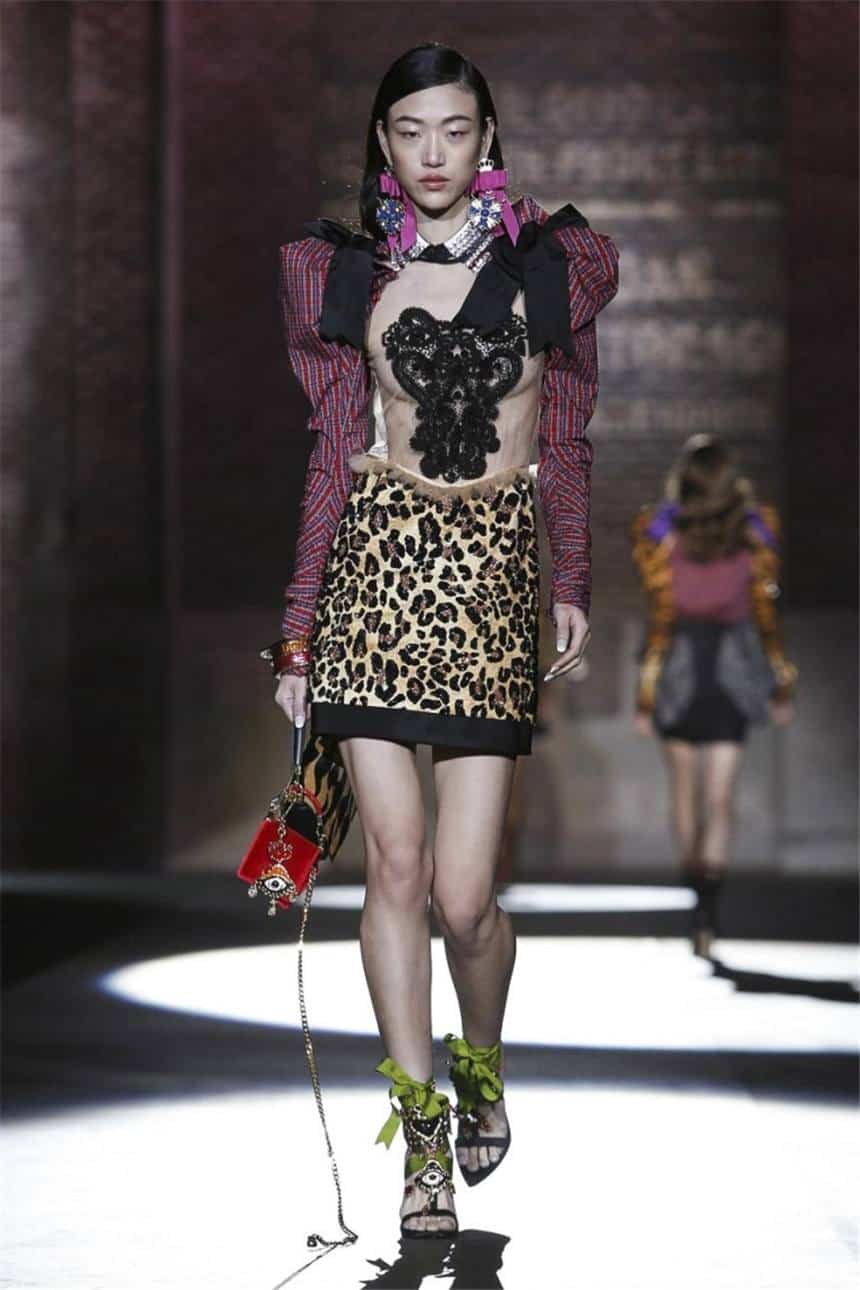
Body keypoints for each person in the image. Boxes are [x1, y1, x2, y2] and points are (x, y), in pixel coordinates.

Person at [263, 43, 619, 1237]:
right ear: (381, 141)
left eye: (453, 130)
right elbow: (332, 454)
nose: (430, 153)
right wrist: (298, 629)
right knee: (395, 870)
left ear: (486, 139)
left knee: (467, 900)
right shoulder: (343, 273)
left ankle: (481, 1064)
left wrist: (569, 575)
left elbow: (562, 437)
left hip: (485, 585)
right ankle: (419, 1139)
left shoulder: (549, 267)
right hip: (375, 576)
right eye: (408, 130)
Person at [631, 435, 797, 958]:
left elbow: (766, 611)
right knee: (704, 795)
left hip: (712, 667)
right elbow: (766, 612)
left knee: (703, 794)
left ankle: (703, 902)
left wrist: (780, 683)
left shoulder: (682, 530)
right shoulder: (743, 528)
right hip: (697, 665)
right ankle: (703, 900)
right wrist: (780, 685)